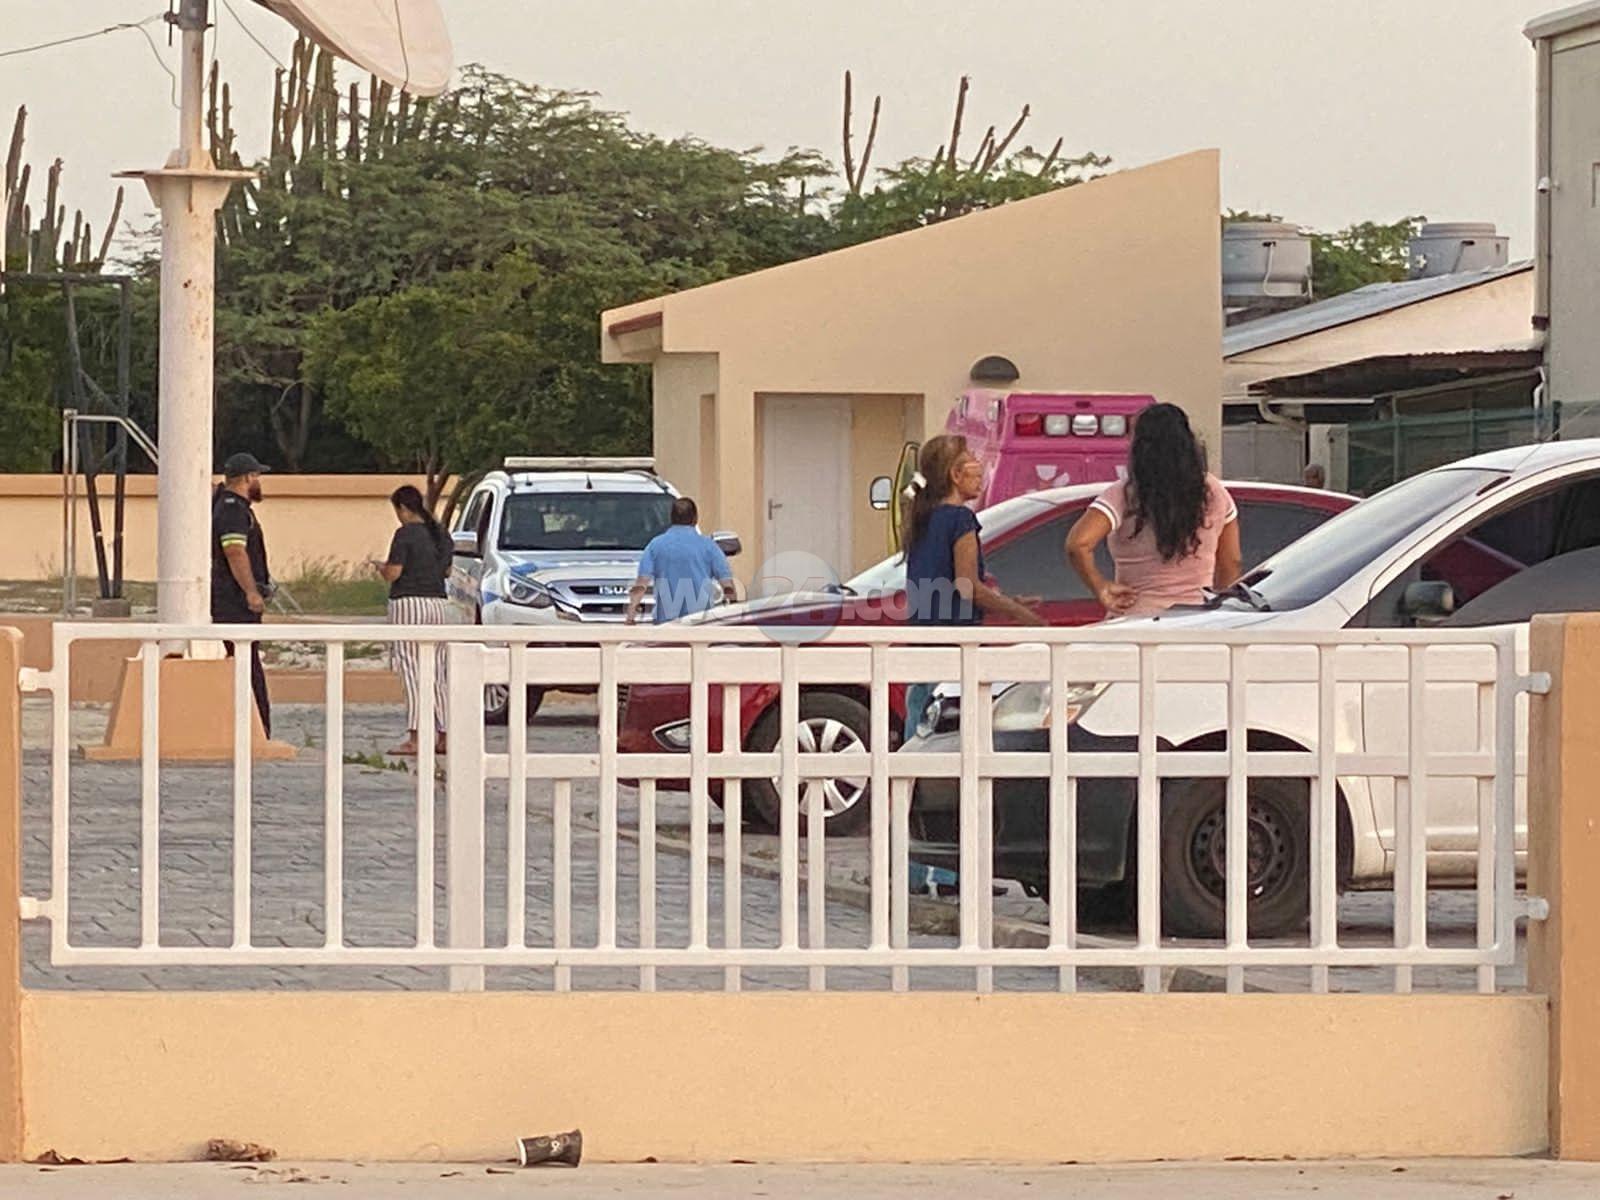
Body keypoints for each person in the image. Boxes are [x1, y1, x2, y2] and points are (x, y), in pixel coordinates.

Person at [902, 434, 1043, 739]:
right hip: (956, 642)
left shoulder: (922, 519)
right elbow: (968, 587)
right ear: (956, 474)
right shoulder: (961, 519)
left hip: (924, 641)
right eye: (973, 464)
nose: (980, 472)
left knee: (920, 726)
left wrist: (1006, 600)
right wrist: (1019, 613)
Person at [1065, 403, 1241, 619]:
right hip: (1195, 620)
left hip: (1136, 620)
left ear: (1139, 447)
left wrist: (1100, 586)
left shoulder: (1124, 494)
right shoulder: (1214, 492)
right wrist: (1217, 605)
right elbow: (1231, 561)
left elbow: (1078, 544)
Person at [373, 485, 456, 756]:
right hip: (438, 603)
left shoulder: (405, 534)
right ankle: (445, 734)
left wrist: (381, 568)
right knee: (437, 671)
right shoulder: (441, 535)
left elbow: (394, 573)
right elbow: (446, 571)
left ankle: (417, 736)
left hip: (409, 603)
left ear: (403, 509)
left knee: (411, 668)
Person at [212, 451, 274, 737]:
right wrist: (251, 591)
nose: (259, 482)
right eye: (257, 476)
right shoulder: (233, 510)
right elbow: (235, 551)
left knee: (245, 661)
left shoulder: (225, 505)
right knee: (247, 663)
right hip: (234, 602)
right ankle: (259, 728)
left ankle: (255, 727)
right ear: (249, 477)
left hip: (229, 599)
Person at [626, 497, 737, 624]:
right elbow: (727, 585)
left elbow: (641, 584)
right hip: (701, 622)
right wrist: (733, 608)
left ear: (671, 518)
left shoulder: (655, 545)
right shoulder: (709, 547)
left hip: (666, 624)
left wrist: (631, 615)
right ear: (695, 518)